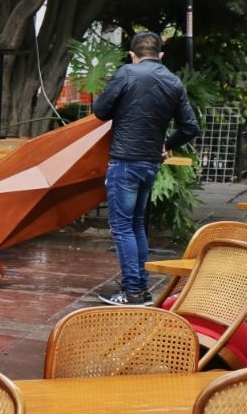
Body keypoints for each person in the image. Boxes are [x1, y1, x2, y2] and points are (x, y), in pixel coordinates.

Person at [92, 31, 200, 306]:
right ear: (160, 55)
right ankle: (141, 289)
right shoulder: (173, 81)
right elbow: (190, 127)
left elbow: (101, 111)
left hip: (124, 162)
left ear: (133, 55)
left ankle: (132, 292)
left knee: (122, 228)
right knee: (137, 225)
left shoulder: (127, 73)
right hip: (151, 163)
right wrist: (166, 145)